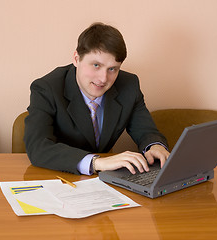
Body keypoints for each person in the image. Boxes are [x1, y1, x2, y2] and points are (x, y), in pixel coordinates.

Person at [24, 22, 169, 175]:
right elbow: (38, 147)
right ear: (76, 58)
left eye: (112, 69)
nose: (103, 78)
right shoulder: (47, 88)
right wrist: (96, 162)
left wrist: (155, 146)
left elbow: (146, 130)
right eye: (96, 65)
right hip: (58, 177)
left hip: (103, 184)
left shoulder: (129, 85)